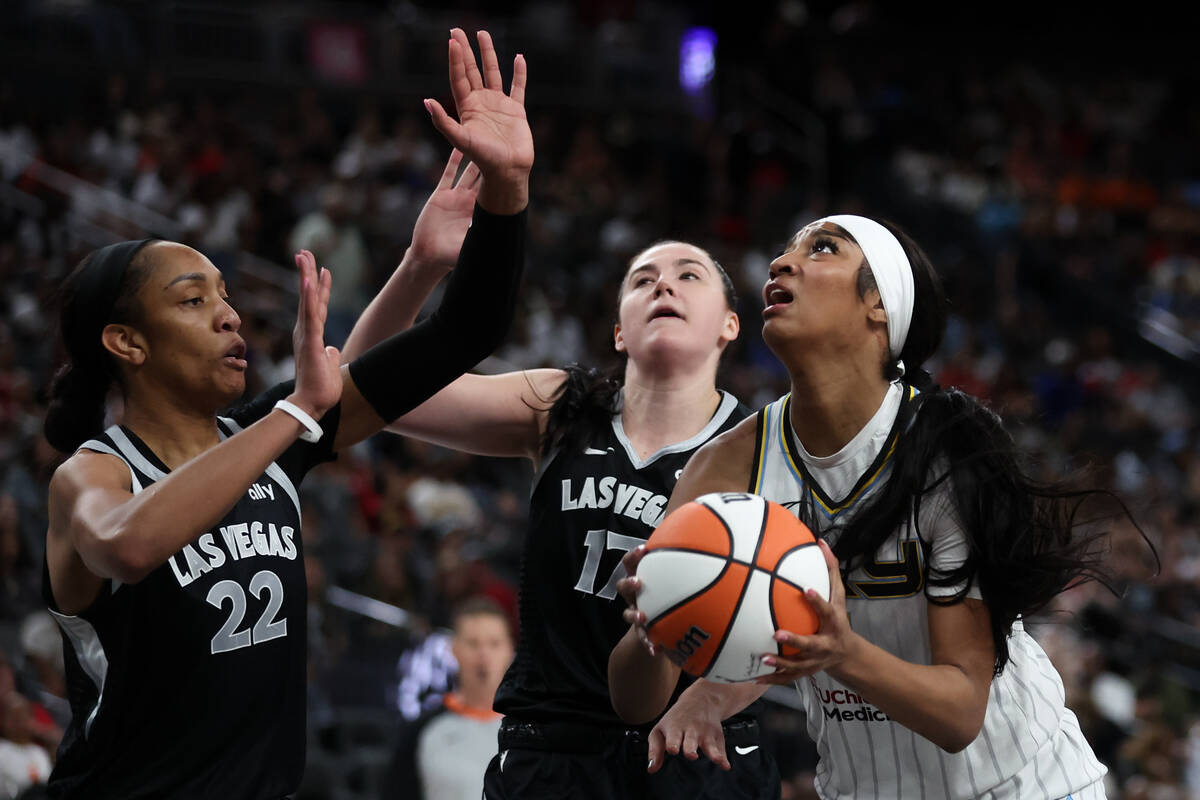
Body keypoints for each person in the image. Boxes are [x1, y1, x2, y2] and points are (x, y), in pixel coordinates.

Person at [39, 28, 532, 799]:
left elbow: (462, 334)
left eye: (228, 297)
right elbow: (131, 545)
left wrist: (501, 198)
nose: (230, 316)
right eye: (193, 300)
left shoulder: (270, 437)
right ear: (125, 342)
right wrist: (297, 412)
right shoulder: (92, 474)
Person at [342, 33, 779, 798]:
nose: (662, 285)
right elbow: (367, 392)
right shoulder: (560, 403)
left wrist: (716, 697)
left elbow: (794, 622)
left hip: (697, 746)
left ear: (729, 325)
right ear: (619, 330)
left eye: (687, 274)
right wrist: (423, 269)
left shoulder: (765, 445)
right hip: (553, 750)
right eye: (642, 279)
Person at [610, 214, 1137, 799]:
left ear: (880, 306)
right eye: (784, 249)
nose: (782, 263)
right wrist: (657, 634)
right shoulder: (725, 469)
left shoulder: (950, 453)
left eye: (823, 249)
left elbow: (960, 712)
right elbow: (636, 699)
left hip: (1022, 785)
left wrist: (844, 653)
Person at [382, 596, 515, 800]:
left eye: (494, 643)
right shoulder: (420, 732)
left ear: (509, 650)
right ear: (453, 649)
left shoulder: (531, 731)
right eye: (473, 643)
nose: (484, 655)